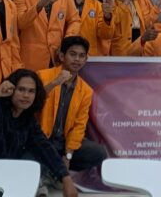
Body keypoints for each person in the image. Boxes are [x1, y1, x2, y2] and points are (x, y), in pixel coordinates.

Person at [0, 69, 78, 197]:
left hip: (4, 179)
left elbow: (44, 147)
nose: (26, 95)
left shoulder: (27, 118)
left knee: (36, 157)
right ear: (11, 90)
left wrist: (66, 178)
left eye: (31, 91)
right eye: (21, 89)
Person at [38, 37, 109, 178]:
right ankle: (50, 174)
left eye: (81, 56)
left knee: (99, 153)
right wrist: (54, 83)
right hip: (41, 140)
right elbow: (32, 104)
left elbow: (79, 126)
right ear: (61, 56)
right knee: (29, 155)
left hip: (63, 144)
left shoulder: (86, 90)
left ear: (86, 59)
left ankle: (55, 170)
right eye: (72, 54)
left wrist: (68, 155)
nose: (77, 59)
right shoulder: (43, 76)